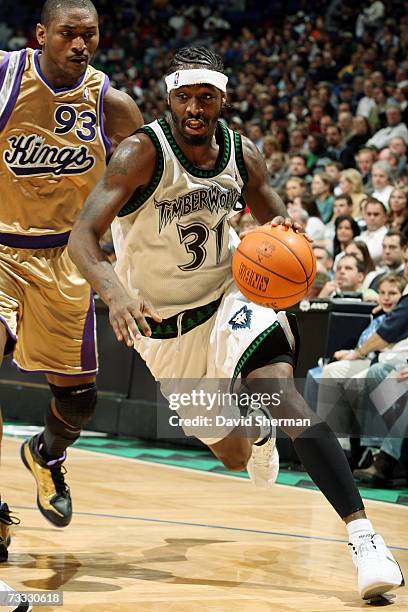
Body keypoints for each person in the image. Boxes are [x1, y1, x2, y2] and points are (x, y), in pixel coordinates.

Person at [69, 46, 404, 601]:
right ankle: (259, 432)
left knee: (278, 393)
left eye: (207, 97)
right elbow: (82, 235)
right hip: (166, 332)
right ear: (169, 98)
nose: (196, 108)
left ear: (223, 98)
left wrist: (285, 238)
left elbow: (273, 215)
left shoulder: (241, 154)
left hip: (231, 296)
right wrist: (114, 292)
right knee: (232, 452)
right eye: (185, 98)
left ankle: (365, 539)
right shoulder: (139, 154)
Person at [0, 0, 143, 564]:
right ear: (41, 35)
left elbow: (149, 190)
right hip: (1, 246)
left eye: (90, 34)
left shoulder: (112, 105)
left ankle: (47, 454)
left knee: (78, 402)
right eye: (67, 34)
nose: (80, 44)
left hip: (67, 257)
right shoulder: (7, 77)